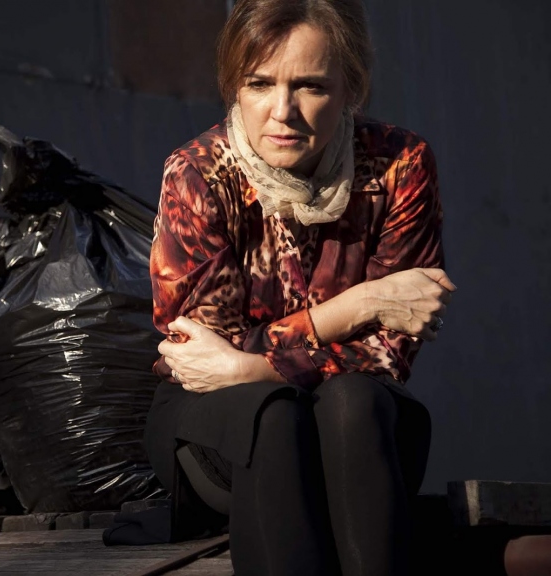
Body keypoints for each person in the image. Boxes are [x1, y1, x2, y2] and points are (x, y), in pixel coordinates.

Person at [144, 0, 456, 574]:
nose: (282, 112)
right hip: (220, 433)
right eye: (260, 84)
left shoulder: (400, 165)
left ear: (350, 88)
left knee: (354, 400)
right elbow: (205, 358)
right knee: (276, 414)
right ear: (235, 88)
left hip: (356, 432)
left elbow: (387, 354)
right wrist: (358, 304)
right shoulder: (198, 173)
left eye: (310, 86)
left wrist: (254, 366)